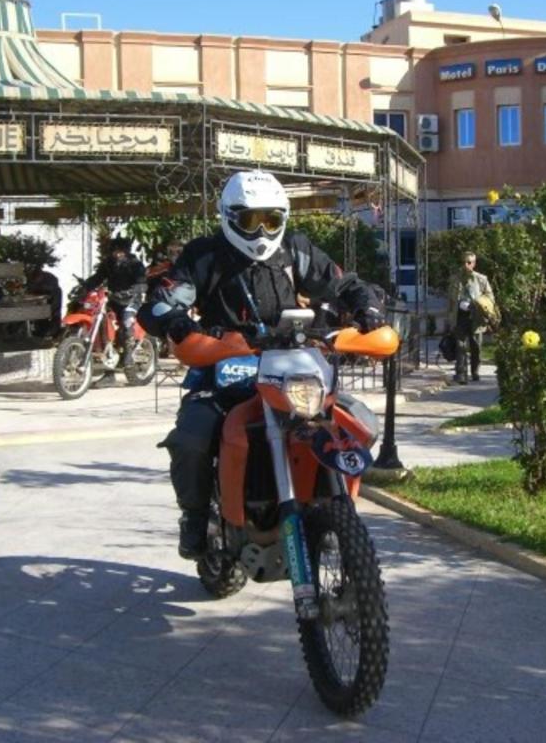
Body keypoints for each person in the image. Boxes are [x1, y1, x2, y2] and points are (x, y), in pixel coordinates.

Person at [142, 170, 385, 559]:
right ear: (228, 216)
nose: (261, 232)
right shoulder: (204, 255)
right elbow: (163, 299)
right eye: (250, 221)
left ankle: (328, 506)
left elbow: (340, 283)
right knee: (192, 436)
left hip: (290, 365)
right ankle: (195, 516)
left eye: (270, 220)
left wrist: (366, 306)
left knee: (356, 418)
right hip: (224, 365)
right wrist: (175, 321)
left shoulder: (294, 248)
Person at [83, 236, 146, 383]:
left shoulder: (135, 264)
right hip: (113, 299)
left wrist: (133, 291)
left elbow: (141, 282)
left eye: (121, 251)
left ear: (126, 251)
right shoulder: (108, 264)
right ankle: (109, 373)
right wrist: (85, 287)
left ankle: (129, 357)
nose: (117, 254)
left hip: (130, 300)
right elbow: (98, 277)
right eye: (115, 251)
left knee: (126, 321)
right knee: (104, 325)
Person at [447, 251, 497, 384]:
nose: (466, 265)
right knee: (460, 344)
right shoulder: (455, 279)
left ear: (474, 264)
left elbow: (490, 297)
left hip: (476, 316)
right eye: (464, 262)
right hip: (460, 316)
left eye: (469, 262)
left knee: (476, 346)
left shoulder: (481, 279)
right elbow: (450, 300)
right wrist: (456, 308)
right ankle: (461, 373)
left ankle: (475, 371)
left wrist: (477, 303)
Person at [24, 263, 62, 338]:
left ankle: (55, 332)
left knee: (55, 313)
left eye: (37, 278)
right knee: (40, 314)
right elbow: (29, 288)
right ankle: (41, 331)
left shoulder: (50, 277)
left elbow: (54, 287)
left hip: (54, 295)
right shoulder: (31, 278)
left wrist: (42, 290)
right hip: (39, 298)